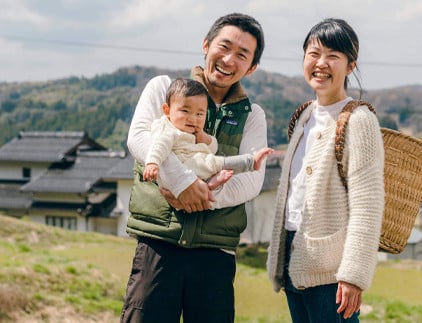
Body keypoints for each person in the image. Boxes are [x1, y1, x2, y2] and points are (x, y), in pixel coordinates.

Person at [121, 13, 267, 323]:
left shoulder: (252, 116)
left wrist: (200, 195)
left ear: (251, 67)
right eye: (223, 46)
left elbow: (252, 181)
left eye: (242, 54)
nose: (228, 59)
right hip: (158, 246)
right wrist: (181, 181)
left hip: (215, 256)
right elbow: (139, 139)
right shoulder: (164, 88)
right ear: (205, 45)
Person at [266, 18, 385, 322]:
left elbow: (368, 205)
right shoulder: (304, 115)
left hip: (333, 273)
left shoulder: (359, 120)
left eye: (333, 55)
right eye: (313, 53)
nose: (321, 63)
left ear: (351, 65)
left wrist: (354, 275)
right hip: (294, 257)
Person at [142, 77, 273, 191]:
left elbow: (213, 147)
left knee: (212, 161)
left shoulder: (191, 130)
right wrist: (153, 163)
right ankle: (250, 162)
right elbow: (159, 145)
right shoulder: (168, 129)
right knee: (212, 163)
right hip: (184, 165)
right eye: (185, 111)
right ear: (167, 110)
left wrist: (204, 138)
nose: (193, 119)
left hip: (196, 163)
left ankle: (211, 184)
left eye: (199, 114)